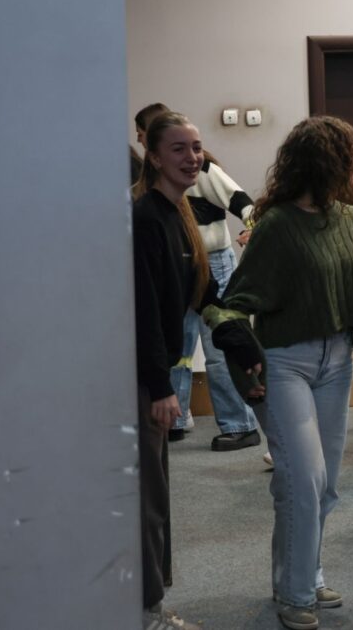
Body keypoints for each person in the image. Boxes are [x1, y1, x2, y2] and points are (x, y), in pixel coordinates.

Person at [207, 116, 353, 630]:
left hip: (336, 363)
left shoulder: (352, 220)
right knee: (303, 479)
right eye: (343, 158)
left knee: (325, 484)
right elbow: (235, 301)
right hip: (285, 363)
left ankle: (304, 575)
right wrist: (235, 340)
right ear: (319, 163)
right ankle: (295, 594)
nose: (350, 167)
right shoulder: (276, 225)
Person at [131, 111, 211, 630]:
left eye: (196, 147)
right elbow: (144, 310)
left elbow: (196, 294)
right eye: (178, 149)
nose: (192, 157)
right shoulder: (145, 217)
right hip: (145, 381)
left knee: (157, 495)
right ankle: (145, 611)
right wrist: (161, 388)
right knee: (148, 499)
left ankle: (152, 603)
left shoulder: (179, 213)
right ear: (155, 156)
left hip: (155, 375)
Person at [168, 148, 261, 451]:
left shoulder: (205, 171)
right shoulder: (158, 177)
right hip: (179, 264)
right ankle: (174, 419)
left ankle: (240, 425)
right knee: (177, 347)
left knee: (219, 346)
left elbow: (243, 202)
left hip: (214, 262)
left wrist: (253, 231)